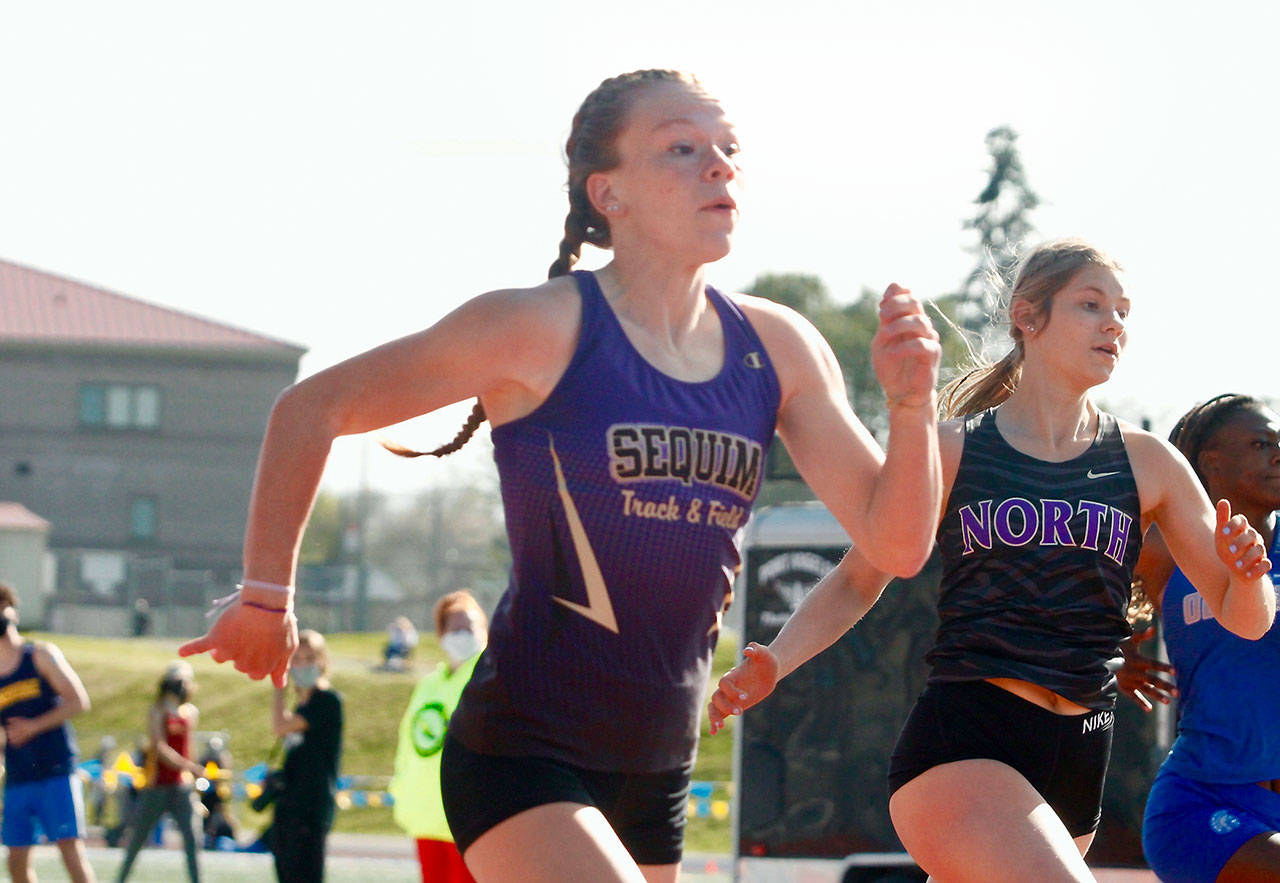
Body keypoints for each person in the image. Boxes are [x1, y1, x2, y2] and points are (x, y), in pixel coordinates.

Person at [180, 68, 945, 882]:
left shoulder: (779, 346)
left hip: (657, 766)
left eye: (728, 149)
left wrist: (911, 405)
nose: (719, 166)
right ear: (607, 193)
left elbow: (896, 544)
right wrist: (267, 594)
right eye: (682, 149)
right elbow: (311, 409)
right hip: (520, 752)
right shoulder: (535, 327)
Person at [708, 239, 1276, 882]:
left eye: (1123, 310)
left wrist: (1252, 577)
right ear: (1027, 317)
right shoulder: (953, 451)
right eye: (1091, 305)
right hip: (967, 743)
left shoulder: (1150, 464)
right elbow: (857, 580)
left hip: (1080, 755)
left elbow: (1247, 620)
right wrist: (776, 660)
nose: (1114, 323)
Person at [1119, 395, 1280, 882]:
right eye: (1260, 444)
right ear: (1211, 462)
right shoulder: (1167, 548)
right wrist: (1121, 658)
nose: (1277, 454)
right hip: (1203, 799)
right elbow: (1115, 609)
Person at [0, 581, 96, 883]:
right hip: (18, 777)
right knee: (16, 862)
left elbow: (79, 701)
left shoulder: (39, 655)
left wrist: (33, 726)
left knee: (71, 852)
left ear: (12, 611)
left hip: (55, 770)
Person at [390, 590, 487, 883]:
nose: (462, 634)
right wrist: (401, 789)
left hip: (470, 818)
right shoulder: (428, 684)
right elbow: (409, 742)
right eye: (454, 628)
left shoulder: (488, 678)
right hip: (427, 815)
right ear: (441, 634)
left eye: (469, 627)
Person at [116, 661, 203, 883]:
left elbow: (188, 747)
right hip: (157, 784)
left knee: (192, 838)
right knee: (138, 837)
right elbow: (159, 747)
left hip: (181, 785)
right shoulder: (158, 711)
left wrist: (191, 774)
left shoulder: (190, 712)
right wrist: (189, 766)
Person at [269, 629, 343, 883]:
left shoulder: (327, 701)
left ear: (321, 661)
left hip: (311, 808)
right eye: (296, 659)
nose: (302, 665)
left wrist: (278, 684)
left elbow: (280, 725)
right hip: (289, 806)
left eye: (309, 658)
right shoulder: (301, 706)